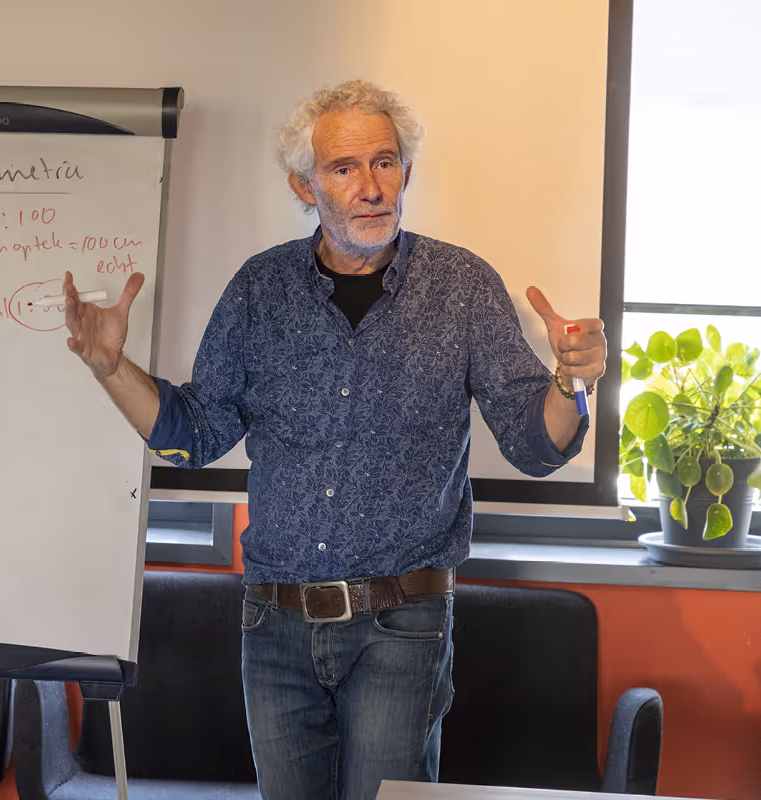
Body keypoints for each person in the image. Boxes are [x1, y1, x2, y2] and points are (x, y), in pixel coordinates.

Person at [62, 79, 607, 799]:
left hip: (403, 624)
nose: (371, 186)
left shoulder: (462, 287)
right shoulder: (259, 291)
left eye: (385, 162)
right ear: (304, 184)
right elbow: (194, 435)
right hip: (275, 625)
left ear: (406, 172)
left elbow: (535, 447)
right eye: (344, 168)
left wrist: (572, 383)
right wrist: (110, 368)